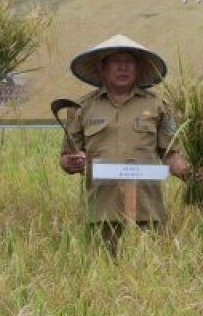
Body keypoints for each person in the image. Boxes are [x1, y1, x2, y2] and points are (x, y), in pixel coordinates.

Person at [58, 35, 193, 254]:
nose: (123, 68)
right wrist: (71, 163)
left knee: (152, 271)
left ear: (138, 68)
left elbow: (170, 154)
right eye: (115, 62)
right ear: (102, 68)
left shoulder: (159, 105)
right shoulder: (81, 107)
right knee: (102, 273)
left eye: (129, 62)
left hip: (147, 210)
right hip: (101, 211)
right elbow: (66, 157)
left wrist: (189, 171)